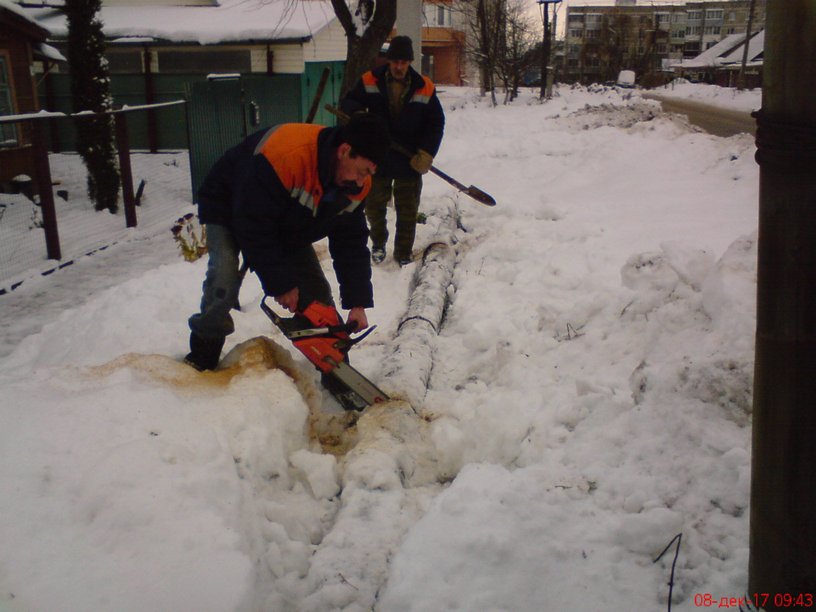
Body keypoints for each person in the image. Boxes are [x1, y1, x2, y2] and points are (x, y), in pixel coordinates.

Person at [184, 112, 391, 374]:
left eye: (369, 174)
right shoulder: (287, 156)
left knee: (317, 296)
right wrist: (280, 283)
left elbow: (350, 242)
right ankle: (204, 350)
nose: (362, 181)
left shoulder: (356, 185)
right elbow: (253, 223)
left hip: (284, 221)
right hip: (229, 204)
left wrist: (357, 302)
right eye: (362, 171)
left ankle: (335, 369)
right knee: (224, 278)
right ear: (345, 150)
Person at [340, 35, 445, 266]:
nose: (399, 66)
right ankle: (378, 243)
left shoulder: (424, 87)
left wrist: (427, 152)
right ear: (389, 61)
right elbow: (349, 102)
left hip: (409, 158)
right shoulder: (370, 80)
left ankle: (403, 252)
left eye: (404, 62)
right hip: (378, 155)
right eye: (395, 61)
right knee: (375, 206)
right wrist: (359, 117)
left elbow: (435, 123)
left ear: (410, 62)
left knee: (407, 210)